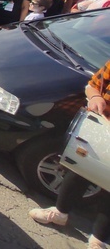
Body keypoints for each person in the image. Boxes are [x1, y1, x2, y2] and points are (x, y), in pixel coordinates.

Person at [28, 59, 110, 249]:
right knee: (79, 172)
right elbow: (92, 85)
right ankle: (59, 213)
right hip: (100, 134)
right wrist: (96, 97)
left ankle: (99, 239)